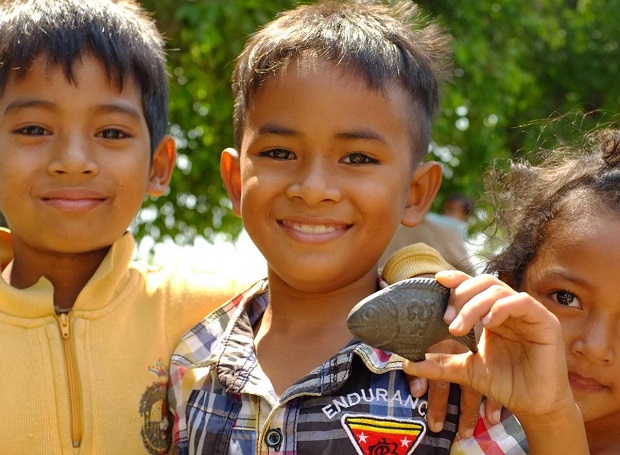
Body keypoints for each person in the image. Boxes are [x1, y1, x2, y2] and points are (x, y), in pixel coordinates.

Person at [167, 1, 586, 453]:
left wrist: (549, 412)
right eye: (280, 153)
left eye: (358, 158)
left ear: (416, 193)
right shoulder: (193, 359)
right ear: (234, 182)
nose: (313, 189)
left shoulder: (455, 368)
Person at [0, 1, 241, 453]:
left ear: (158, 166)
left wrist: (416, 274)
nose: (73, 161)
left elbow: (350, 289)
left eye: (111, 133)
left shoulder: (213, 311)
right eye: (34, 129)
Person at [405, 128, 620, 453]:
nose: (595, 347)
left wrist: (551, 420)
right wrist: (433, 297)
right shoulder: (471, 396)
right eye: (566, 298)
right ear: (509, 284)